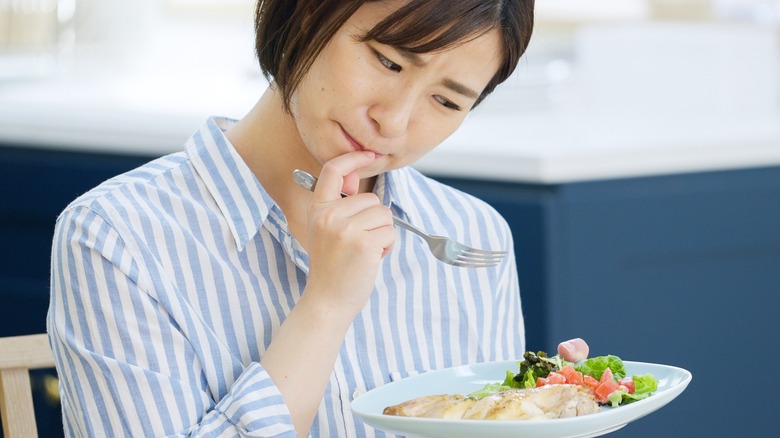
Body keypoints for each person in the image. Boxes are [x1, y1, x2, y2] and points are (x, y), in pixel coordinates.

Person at [47, 0, 589, 436]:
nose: (393, 121)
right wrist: (326, 307)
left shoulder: (470, 233)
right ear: (308, 12)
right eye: (390, 61)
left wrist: (549, 410)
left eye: (446, 102)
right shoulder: (116, 237)